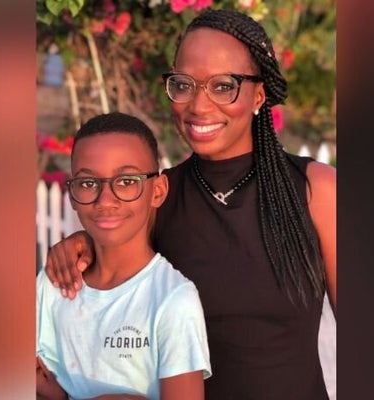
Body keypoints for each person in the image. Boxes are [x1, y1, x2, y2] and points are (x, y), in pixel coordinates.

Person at [46, 9, 336, 399]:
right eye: (184, 85)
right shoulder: (158, 199)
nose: (198, 106)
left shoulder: (316, 190)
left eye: (222, 86)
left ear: (259, 94)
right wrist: (80, 244)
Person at [36, 112, 212, 400]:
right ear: (72, 196)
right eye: (89, 183)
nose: (106, 200)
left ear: (157, 191)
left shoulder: (172, 299)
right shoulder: (53, 283)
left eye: (127, 181)